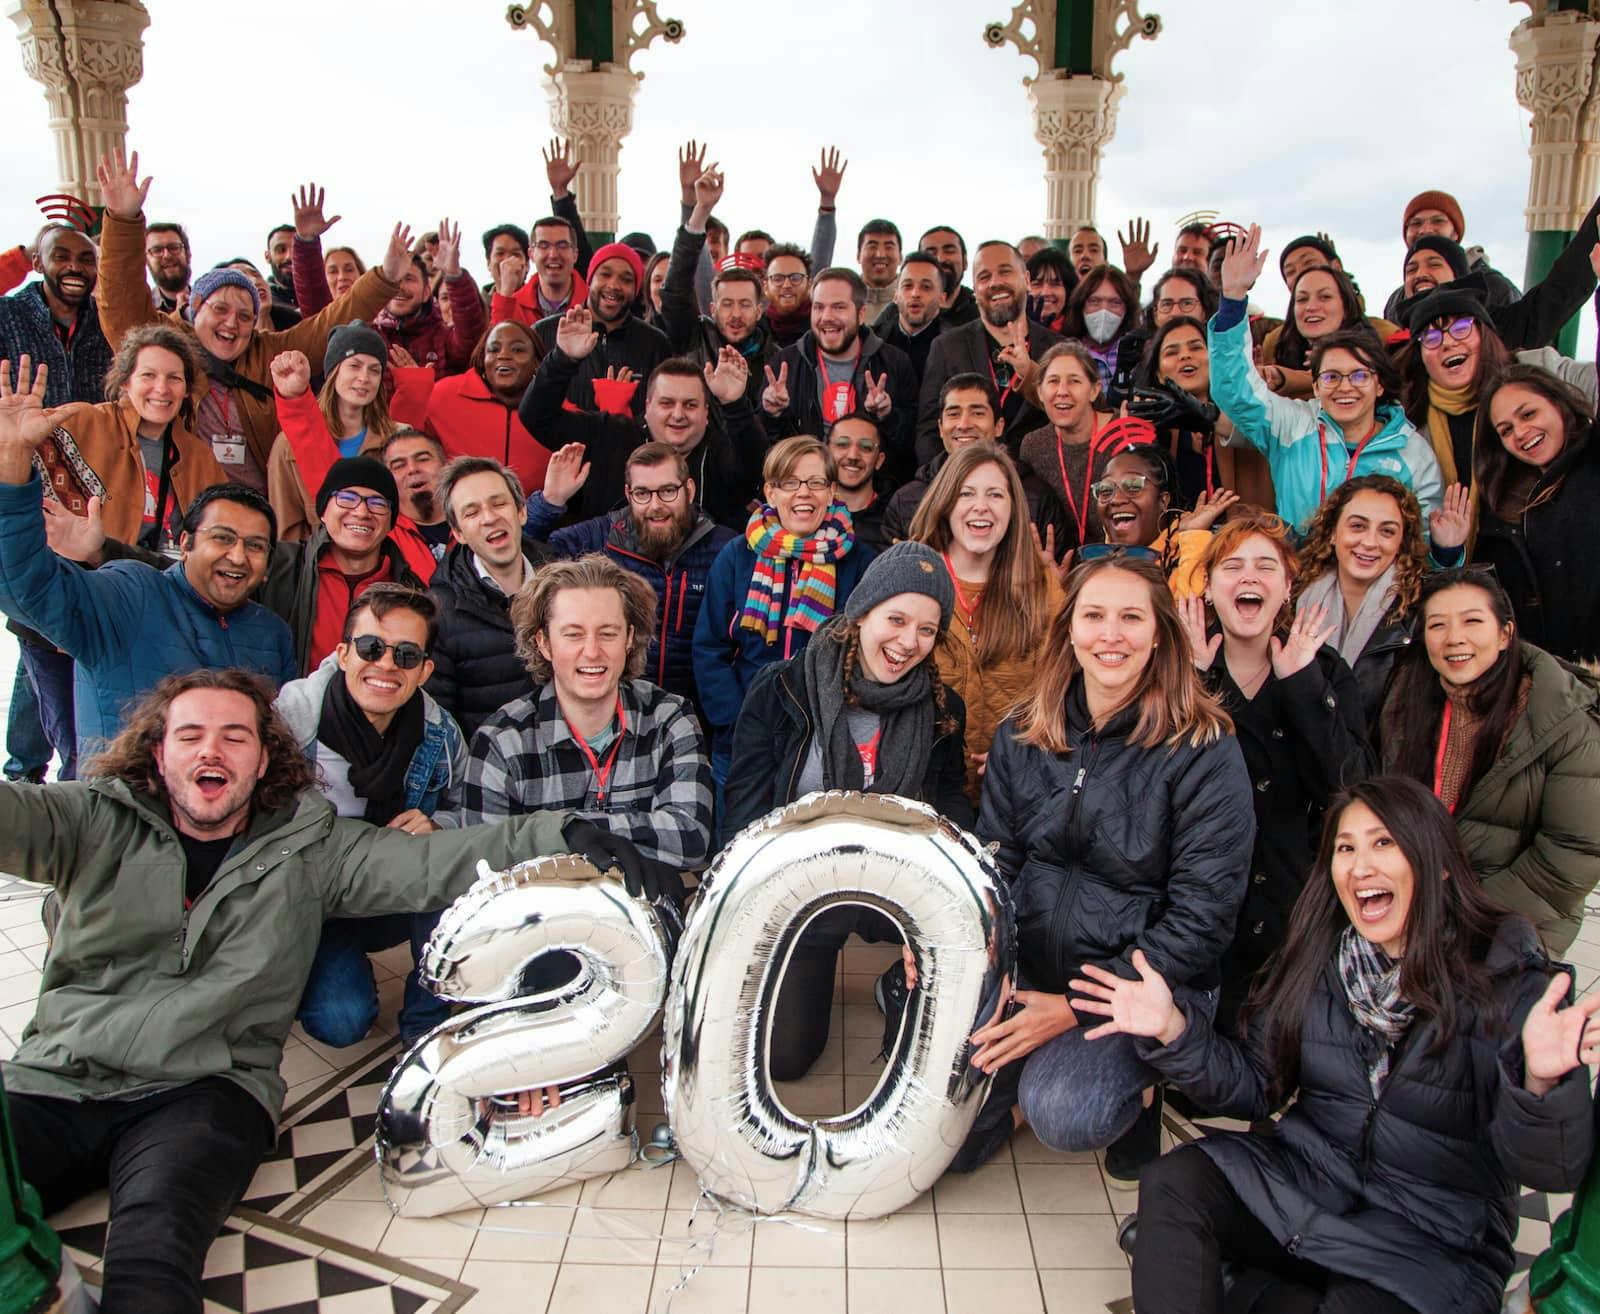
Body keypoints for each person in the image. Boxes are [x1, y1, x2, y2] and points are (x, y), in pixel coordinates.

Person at [2, 665, 635, 1313]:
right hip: (59, 1075)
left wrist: (560, 835)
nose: (211, 750)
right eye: (189, 736)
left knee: (155, 1248)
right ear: (158, 753)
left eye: (234, 736)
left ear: (265, 757)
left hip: (204, 1091)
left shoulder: (307, 848)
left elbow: (429, 865)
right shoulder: (90, 820)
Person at [1089, 776, 1596, 1314]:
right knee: (1175, 1181)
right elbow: (1254, 1088)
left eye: (1384, 843)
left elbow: (1551, 1172)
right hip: (1308, 1182)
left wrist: (1540, 1086)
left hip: (1430, 1239)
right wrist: (1174, 1030)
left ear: (1440, 863)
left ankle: (1246, 1287)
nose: (1360, 866)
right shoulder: (1319, 957)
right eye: (1345, 848)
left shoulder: (1507, 978)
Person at [958, 553, 1254, 1178]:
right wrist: (969, 951)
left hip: (1142, 983)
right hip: (1033, 964)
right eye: (1093, 616)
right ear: (1069, 629)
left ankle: (1136, 1086)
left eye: (1130, 618)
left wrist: (1072, 1006)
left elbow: (1203, 916)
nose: (1110, 635)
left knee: (1064, 1108)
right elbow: (998, 861)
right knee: (945, 1132)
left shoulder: (1203, 749)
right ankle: (1013, 1077)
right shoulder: (1024, 730)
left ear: (1160, 633)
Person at [722, 540, 971, 1077]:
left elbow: (951, 805)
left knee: (943, 1045)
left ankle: (893, 983)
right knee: (784, 1058)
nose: (908, 642)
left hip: (897, 890)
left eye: (927, 630)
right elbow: (742, 810)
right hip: (802, 890)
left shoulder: (943, 708)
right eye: (896, 619)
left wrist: (948, 909)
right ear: (862, 613)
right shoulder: (785, 687)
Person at [0, 357, 295, 745]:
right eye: (222, 538)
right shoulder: (127, 594)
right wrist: (12, 460)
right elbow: (26, 589)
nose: (238, 557)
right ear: (186, 544)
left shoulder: (272, 633)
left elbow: (278, 745)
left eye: (255, 546)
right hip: (124, 803)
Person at [95, 150, 411, 491]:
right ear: (194, 308)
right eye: (220, 310)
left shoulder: (268, 352)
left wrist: (386, 277)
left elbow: (328, 325)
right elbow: (121, 300)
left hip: (260, 508)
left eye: (245, 315)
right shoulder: (163, 343)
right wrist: (124, 220)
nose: (232, 323)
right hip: (181, 504)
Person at [1180, 512, 1372, 1029]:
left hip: (1292, 901)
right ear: (1210, 585)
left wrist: (1302, 686)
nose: (1249, 577)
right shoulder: (1182, 669)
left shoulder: (1324, 668)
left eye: (1266, 566)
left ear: (1288, 587)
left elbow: (1352, 789)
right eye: (1233, 565)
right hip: (1203, 904)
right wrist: (1194, 683)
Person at [275, 585, 465, 1046]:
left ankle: (427, 1025)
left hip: (390, 892)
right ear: (343, 654)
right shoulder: (288, 723)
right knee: (341, 1021)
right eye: (370, 647)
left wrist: (441, 827)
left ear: (424, 671)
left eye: (405, 655)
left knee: (450, 866)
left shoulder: (439, 733)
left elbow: (468, 808)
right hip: (313, 902)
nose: (385, 664)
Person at [1379, 568, 1600, 953]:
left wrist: (1458, 912)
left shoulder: (1564, 720)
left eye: (1472, 621)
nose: (1454, 638)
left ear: (1505, 634)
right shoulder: (1406, 702)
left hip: (1512, 931)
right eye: (1438, 625)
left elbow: (1573, 856)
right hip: (1416, 921)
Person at [459, 553, 712, 873]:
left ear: (629, 639)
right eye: (573, 634)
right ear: (544, 643)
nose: (592, 651)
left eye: (608, 633)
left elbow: (690, 838)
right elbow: (485, 865)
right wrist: (579, 836)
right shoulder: (501, 741)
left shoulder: (669, 718)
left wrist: (550, 836)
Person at [1210, 225, 1444, 534]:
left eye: (1360, 375)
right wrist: (1233, 298)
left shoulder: (1411, 451)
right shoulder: (1292, 427)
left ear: (1380, 384)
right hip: (1302, 579)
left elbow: (1426, 543)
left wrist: (1447, 551)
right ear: (1316, 385)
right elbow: (1236, 392)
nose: (1345, 386)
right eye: (1332, 377)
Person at [693, 436, 874, 801]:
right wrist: (738, 719)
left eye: (816, 482)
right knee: (740, 845)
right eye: (789, 483)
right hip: (744, 738)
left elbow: (866, 655)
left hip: (823, 742)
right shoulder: (736, 556)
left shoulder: (860, 562)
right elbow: (709, 647)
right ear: (770, 492)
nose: (803, 494)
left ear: (832, 491)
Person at [906, 445, 1062, 803]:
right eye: (966, 493)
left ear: (1013, 508)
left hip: (1017, 795)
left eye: (995, 494)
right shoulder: (910, 574)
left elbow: (1063, 690)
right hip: (922, 793)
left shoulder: (1042, 586)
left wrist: (1026, 755)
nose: (981, 506)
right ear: (945, 503)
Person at [522, 308, 766, 529]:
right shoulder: (608, 434)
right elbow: (537, 416)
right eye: (666, 403)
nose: (678, 414)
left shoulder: (720, 451)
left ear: (705, 412)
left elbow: (754, 469)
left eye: (690, 405)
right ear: (647, 406)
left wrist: (735, 405)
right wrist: (562, 360)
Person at [539, 442, 735, 709]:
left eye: (668, 491)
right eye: (643, 493)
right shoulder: (602, 537)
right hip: (618, 711)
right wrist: (549, 502)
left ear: (689, 490)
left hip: (700, 716)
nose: (655, 505)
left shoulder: (725, 547)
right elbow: (526, 554)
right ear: (629, 494)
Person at [1402, 288, 1598, 506]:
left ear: (1484, 333)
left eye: (1461, 328)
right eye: (1430, 337)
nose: (1448, 343)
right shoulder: (1411, 422)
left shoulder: (1539, 368)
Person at [1471, 365, 1600, 663]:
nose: (1520, 433)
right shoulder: (1501, 504)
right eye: (1506, 430)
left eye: (1528, 414)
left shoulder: (1593, 458)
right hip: (1547, 677)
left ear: (1557, 402)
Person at [256, 456, 425, 674]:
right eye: (346, 498)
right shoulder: (278, 567)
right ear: (324, 512)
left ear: (391, 521)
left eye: (377, 503)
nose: (362, 512)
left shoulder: (410, 590)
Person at [424, 456, 553, 740]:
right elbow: (440, 726)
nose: (489, 517)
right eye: (471, 512)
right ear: (458, 533)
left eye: (498, 503)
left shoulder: (565, 584)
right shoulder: (438, 612)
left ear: (521, 512)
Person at [1292, 475, 1436, 728]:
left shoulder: (1422, 613)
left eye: (1387, 531)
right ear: (1332, 533)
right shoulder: (1292, 599)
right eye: (1358, 526)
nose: (1369, 542)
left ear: (1401, 543)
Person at [762, 266, 918, 482]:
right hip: (805, 492)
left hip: (872, 499)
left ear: (861, 314)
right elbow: (763, 449)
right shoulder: (784, 364)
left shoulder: (894, 363)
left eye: (838, 307)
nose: (826, 317)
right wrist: (773, 415)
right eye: (819, 308)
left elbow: (911, 446)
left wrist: (887, 417)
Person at [915, 241, 1067, 463]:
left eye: (1005, 272)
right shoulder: (946, 347)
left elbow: (1078, 420)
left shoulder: (1060, 349)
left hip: (1040, 486)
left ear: (1026, 280)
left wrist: (1031, 373)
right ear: (975, 290)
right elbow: (929, 431)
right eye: (984, 277)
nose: (995, 282)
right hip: (967, 485)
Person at [265, 327, 405, 545]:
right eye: (354, 366)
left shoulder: (396, 438)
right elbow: (286, 527)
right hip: (316, 567)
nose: (364, 378)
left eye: (374, 370)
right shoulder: (287, 444)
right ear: (333, 371)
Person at [391, 318, 551, 499]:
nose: (504, 355)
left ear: (537, 362)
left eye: (518, 349)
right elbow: (402, 442)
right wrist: (413, 393)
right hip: (457, 518)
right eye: (494, 349)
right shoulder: (445, 394)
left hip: (540, 520)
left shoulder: (558, 413)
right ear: (483, 360)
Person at [1016, 342, 1156, 551]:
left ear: (1094, 390)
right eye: (1053, 381)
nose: (1062, 391)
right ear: (1040, 392)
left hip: (1126, 560)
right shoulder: (1033, 446)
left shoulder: (1126, 432)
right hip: (1062, 568)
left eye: (1074, 381)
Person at [1129, 314, 1276, 511]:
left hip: (1241, 536)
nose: (1185, 356)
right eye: (1171, 352)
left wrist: (1207, 417)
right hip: (1178, 537)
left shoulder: (1245, 410)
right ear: (1159, 374)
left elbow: (1261, 433)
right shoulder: (1153, 428)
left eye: (1196, 347)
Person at [659, 167, 774, 411]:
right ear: (712, 309)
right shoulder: (692, 339)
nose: (735, 314)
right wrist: (700, 211)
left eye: (744, 304)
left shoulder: (777, 359)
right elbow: (676, 290)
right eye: (727, 304)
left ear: (759, 310)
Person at [1088, 442, 1227, 595]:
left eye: (1133, 486)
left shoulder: (1196, 549)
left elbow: (1193, 613)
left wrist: (1193, 538)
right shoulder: (1095, 564)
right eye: (1105, 489)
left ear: (1163, 500)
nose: (1116, 500)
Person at [0, 222, 113, 407]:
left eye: (86, 260)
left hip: (97, 435)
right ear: (37, 263)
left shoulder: (108, 320)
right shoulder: (5, 316)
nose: (75, 267)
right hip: (21, 434)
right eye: (61, 257)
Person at [1381, 188, 1524, 319]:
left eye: (1438, 221)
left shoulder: (1494, 287)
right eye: (1415, 223)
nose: (1425, 230)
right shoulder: (1396, 300)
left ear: (1456, 232)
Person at [1258, 264, 1395, 399]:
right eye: (1302, 299)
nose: (1311, 307)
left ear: (1346, 307)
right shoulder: (1278, 351)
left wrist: (1280, 377)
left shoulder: (1373, 356)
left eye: (1325, 297)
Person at [1061, 263, 1143, 403]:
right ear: (1081, 305)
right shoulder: (1065, 353)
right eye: (1094, 301)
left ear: (1127, 309)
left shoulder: (1139, 353)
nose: (1104, 310)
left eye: (1115, 302)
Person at [871, 251, 947, 384]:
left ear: (942, 299)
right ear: (895, 296)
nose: (915, 294)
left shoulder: (955, 347)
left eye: (926, 287)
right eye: (908, 286)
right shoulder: (871, 341)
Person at [382, 427, 452, 563]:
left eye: (423, 459)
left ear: (445, 466)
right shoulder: (382, 535)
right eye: (399, 465)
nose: (412, 469)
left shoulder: (475, 520)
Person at [826, 412, 890, 549]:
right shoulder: (809, 511)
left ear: (879, 460)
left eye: (866, 447)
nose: (853, 455)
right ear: (826, 454)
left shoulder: (894, 518)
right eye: (842, 444)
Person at [919, 225, 979, 325]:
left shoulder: (982, 314)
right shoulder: (898, 315)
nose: (940, 258)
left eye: (949, 251)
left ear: (965, 261)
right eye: (931, 253)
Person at [1025, 246, 1076, 334]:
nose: (1045, 292)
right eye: (1037, 284)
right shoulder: (1010, 331)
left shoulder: (1081, 334)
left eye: (1055, 284)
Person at [143, 220, 190, 312]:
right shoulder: (141, 311)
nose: (167, 255)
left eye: (174, 247)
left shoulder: (206, 303)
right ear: (146, 260)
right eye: (157, 250)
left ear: (188, 254)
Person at [857, 218, 902, 317]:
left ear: (901, 257)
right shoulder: (844, 295)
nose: (880, 255)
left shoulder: (913, 298)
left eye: (889, 247)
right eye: (872, 246)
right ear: (858, 256)